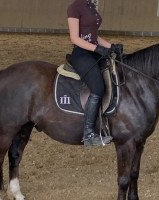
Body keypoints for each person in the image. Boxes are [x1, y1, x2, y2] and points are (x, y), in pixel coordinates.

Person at [67, 0, 122, 146]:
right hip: (81, 54)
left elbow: (93, 36)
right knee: (97, 89)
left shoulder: (90, 6)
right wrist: (97, 49)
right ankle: (89, 134)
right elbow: (74, 38)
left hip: (93, 52)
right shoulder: (74, 7)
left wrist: (111, 47)